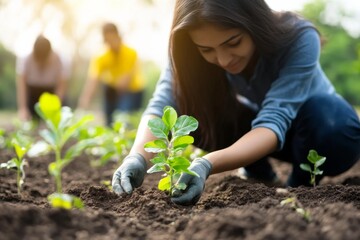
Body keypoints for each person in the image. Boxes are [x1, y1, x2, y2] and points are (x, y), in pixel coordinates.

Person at [112, 0, 360, 206]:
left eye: (233, 43)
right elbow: (162, 103)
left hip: (314, 131)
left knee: (332, 124)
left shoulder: (298, 37)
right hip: (263, 134)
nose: (222, 59)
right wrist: (137, 158)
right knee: (187, 104)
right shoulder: (187, 49)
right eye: (206, 50)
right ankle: (258, 172)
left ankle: (300, 184)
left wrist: (206, 164)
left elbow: (275, 118)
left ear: (253, 23)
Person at [77, 22, 145, 126]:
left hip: (133, 90)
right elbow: (93, 80)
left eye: (113, 39)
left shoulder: (131, 53)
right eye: (107, 40)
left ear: (118, 36)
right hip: (112, 89)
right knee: (109, 121)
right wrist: (84, 101)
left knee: (124, 119)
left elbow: (124, 82)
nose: (111, 43)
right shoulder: (101, 57)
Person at [16, 35, 68, 121]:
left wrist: (54, 109)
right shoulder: (25, 59)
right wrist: (23, 108)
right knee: (31, 118)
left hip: (51, 92)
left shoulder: (60, 60)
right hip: (32, 92)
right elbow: (22, 85)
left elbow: (61, 86)